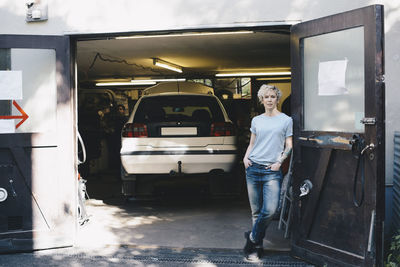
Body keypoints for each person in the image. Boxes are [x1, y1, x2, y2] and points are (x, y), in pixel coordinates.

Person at [242, 84, 293, 260]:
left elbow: (289, 145)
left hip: (272, 170)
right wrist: (245, 158)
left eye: (273, 96)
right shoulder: (257, 120)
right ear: (261, 100)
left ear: (277, 99)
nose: (270, 99)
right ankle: (256, 247)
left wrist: (280, 161)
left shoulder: (286, 120)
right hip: (253, 168)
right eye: (266, 97)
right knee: (256, 212)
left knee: (270, 210)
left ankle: (252, 237)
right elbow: (252, 143)